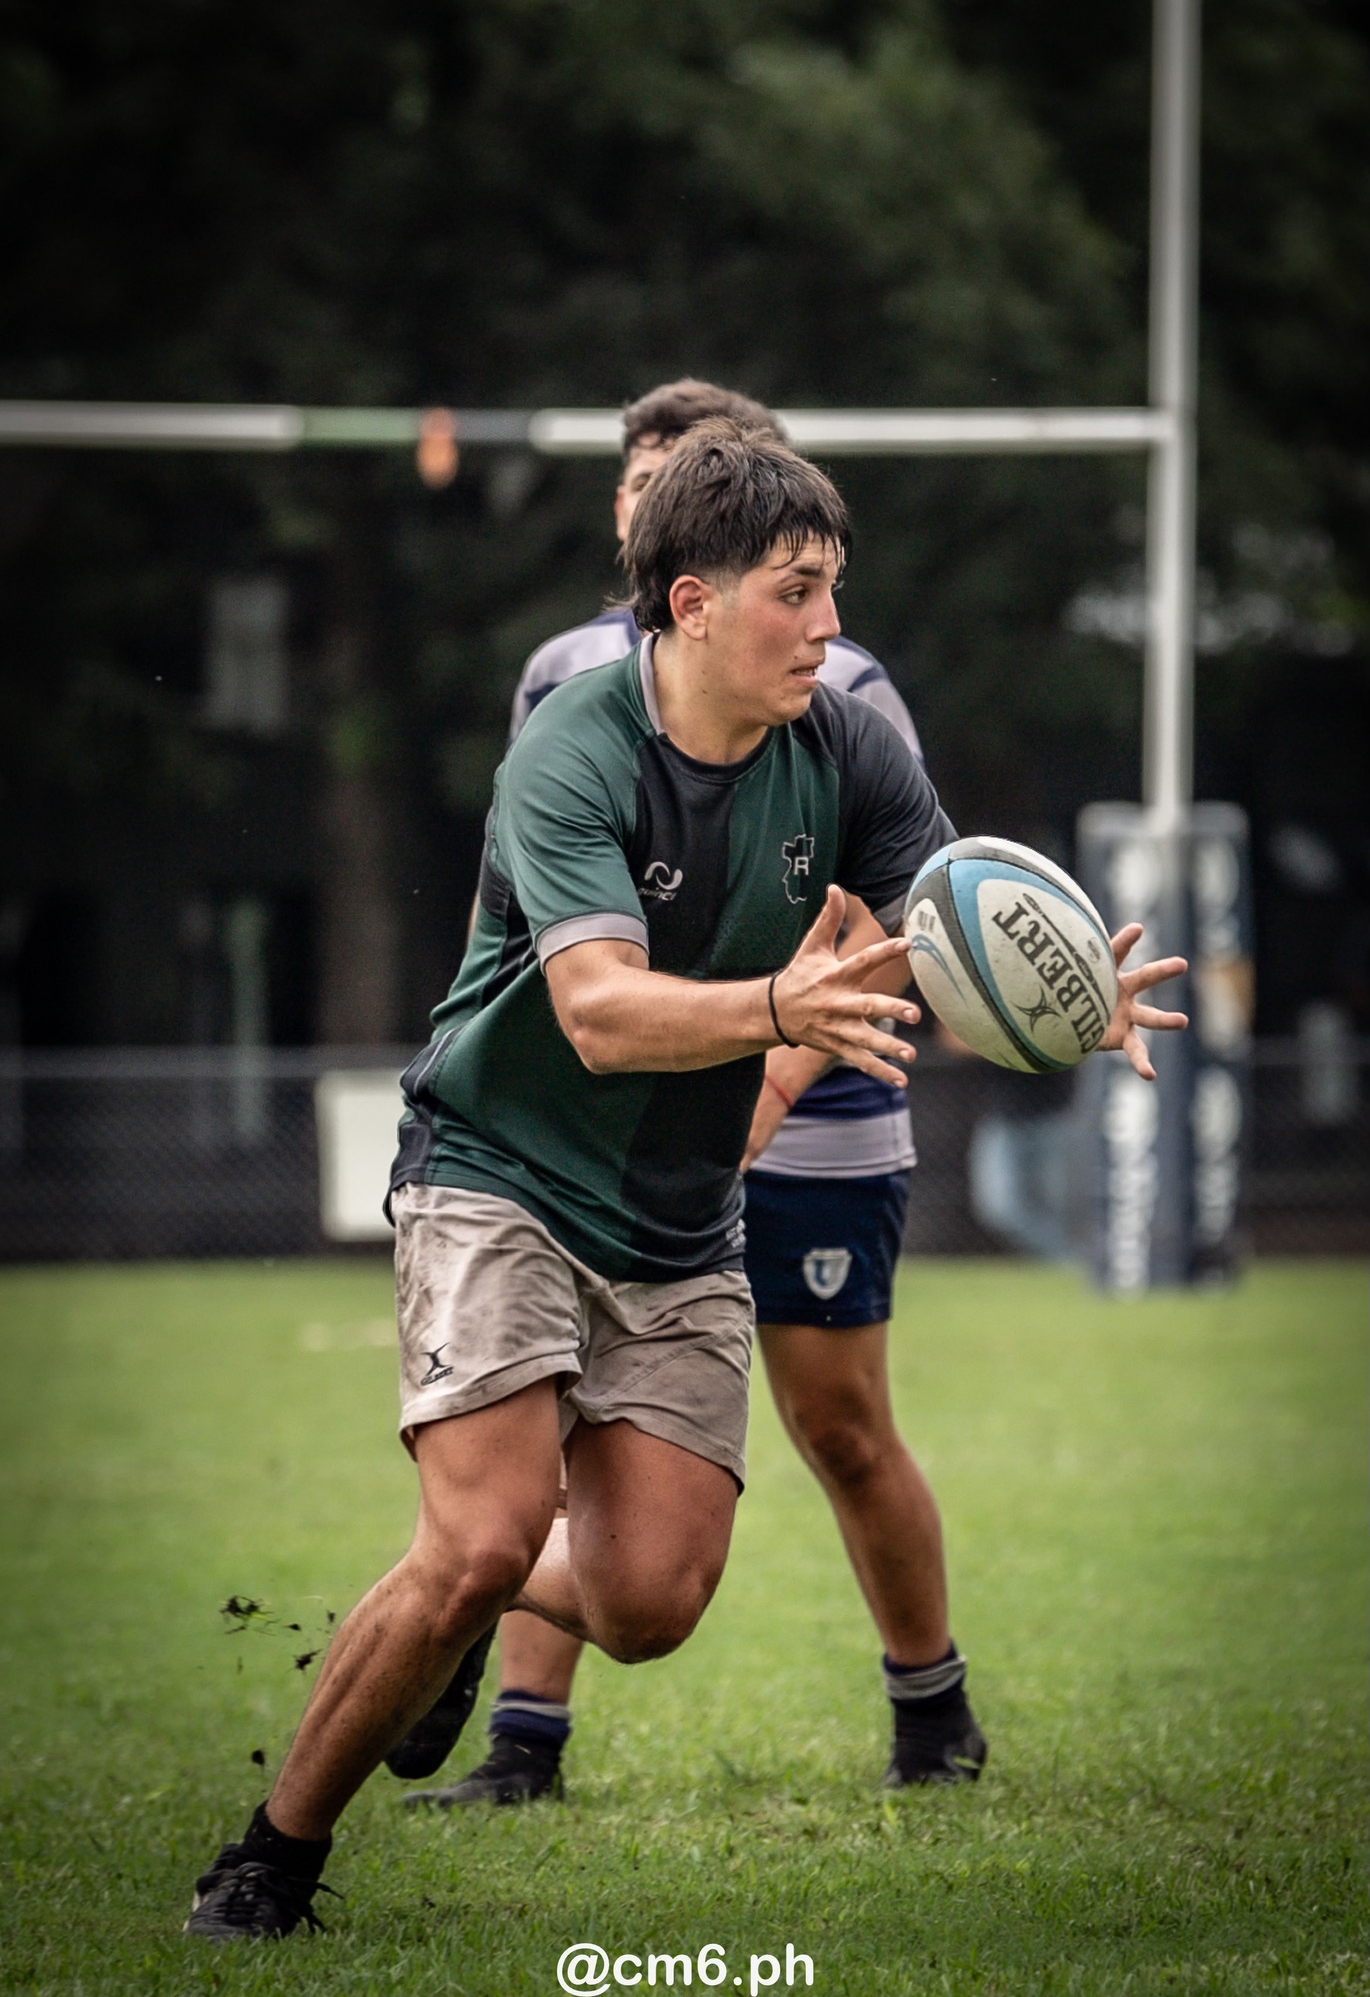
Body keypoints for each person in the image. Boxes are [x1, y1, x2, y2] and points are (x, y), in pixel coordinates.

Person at [184, 421, 1186, 1940]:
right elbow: (596, 1013)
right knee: (475, 1534)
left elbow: (941, 924)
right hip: (503, 1171)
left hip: (678, 1210)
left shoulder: (843, 746)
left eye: (832, 588)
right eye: (796, 592)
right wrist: (782, 1011)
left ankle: (473, 1611)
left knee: (648, 1605)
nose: (830, 627)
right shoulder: (570, 750)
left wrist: (1063, 1001)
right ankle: (267, 1864)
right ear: (690, 602)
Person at [397, 379, 985, 1810]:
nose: (645, 495)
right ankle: (519, 1737)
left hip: (829, 1074)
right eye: (635, 477)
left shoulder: (834, 687)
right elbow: (562, 933)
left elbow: (904, 916)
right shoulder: (565, 689)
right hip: (642, 1086)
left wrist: (785, 1071)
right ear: (647, 539)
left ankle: (931, 1705)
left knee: (837, 1424)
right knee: (540, 1469)